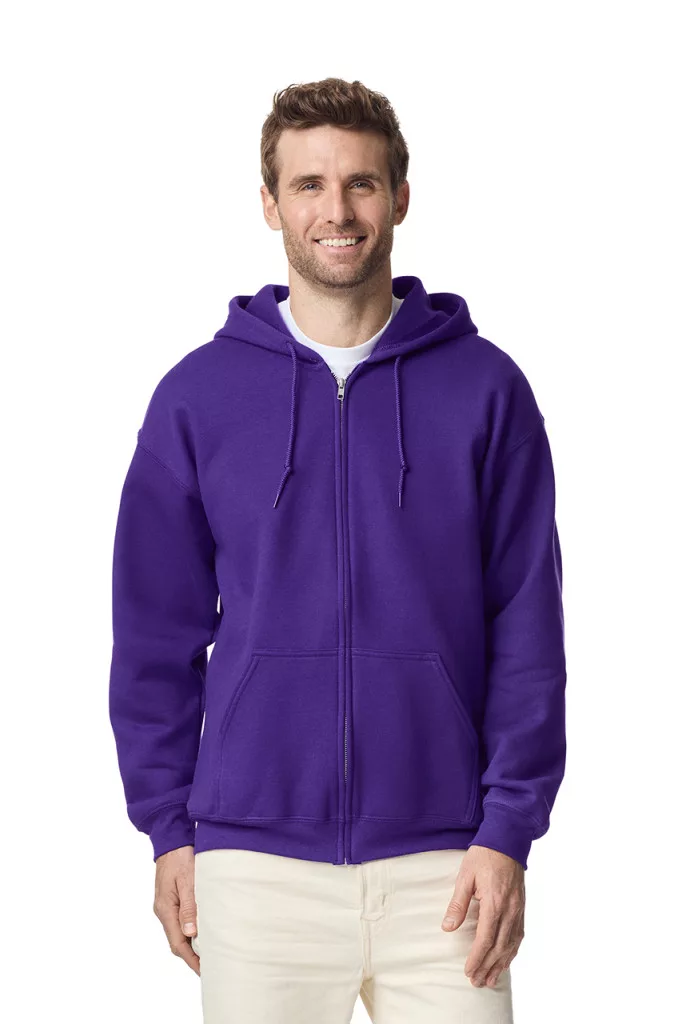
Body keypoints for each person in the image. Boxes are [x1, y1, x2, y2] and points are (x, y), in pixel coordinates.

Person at [108, 76, 567, 1023]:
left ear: (400, 197)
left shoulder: (487, 390)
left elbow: (527, 628)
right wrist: (168, 830)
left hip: (449, 864)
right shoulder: (197, 398)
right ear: (270, 203)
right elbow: (153, 638)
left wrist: (507, 831)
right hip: (253, 862)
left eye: (361, 182)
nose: (338, 211)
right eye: (309, 185)